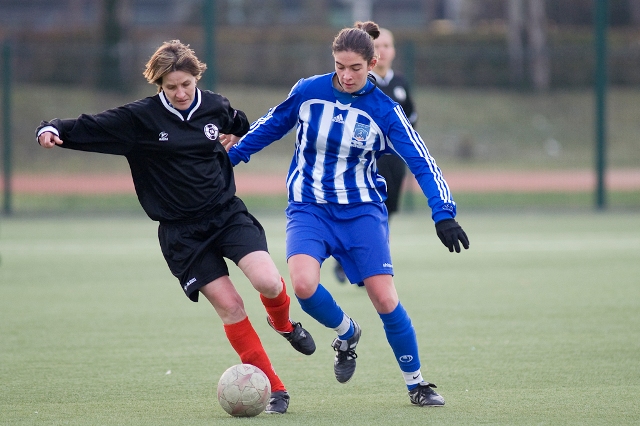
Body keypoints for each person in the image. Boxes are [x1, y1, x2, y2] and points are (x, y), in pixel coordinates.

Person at [35, 40, 315, 415]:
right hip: (182, 235)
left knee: (267, 280)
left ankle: (283, 324)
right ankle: (275, 389)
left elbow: (238, 120)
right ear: (159, 85)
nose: (181, 93)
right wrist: (50, 129)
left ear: (196, 78)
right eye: (171, 87)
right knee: (230, 305)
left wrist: (237, 133)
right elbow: (90, 126)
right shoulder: (140, 119)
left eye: (186, 84)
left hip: (227, 215)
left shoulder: (213, 105)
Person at [222, 22, 469, 407]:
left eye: (355, 68)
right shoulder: (308, 92)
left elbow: (422, 161)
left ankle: (417, 384)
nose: (346, 75)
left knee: (385, 300)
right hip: (308, 208)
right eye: (340, 66)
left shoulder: (386, 110)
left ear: (374, 63)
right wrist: (225, 161)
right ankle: (347, 332)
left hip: (361, 213)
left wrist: (443, 213)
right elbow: (268, 128)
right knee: (302, 285)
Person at [333, 27, 417, 284]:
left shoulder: (400, 83)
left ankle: (372, 265)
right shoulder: (360, 84)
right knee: (362, 213)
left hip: (393, 162)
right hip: (364, 162)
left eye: (388, 46)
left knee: (386, 213)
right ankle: (349, 261)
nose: (383, 50)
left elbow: (411, 118)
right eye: (378, 46)